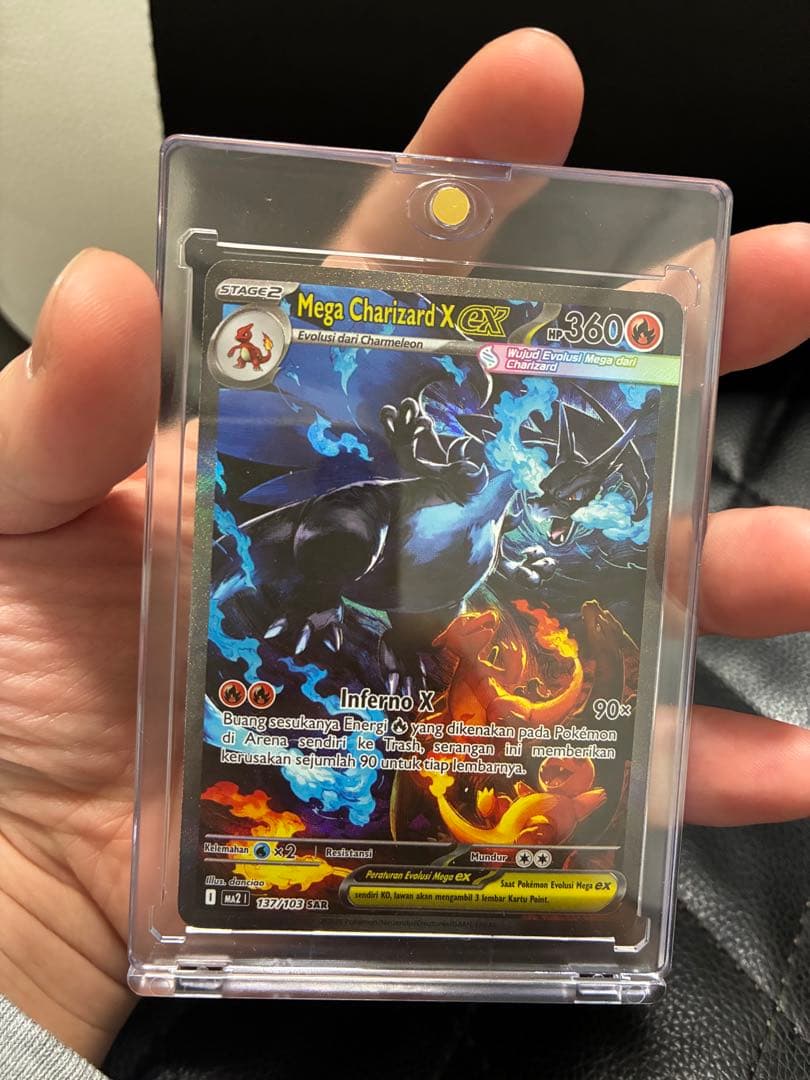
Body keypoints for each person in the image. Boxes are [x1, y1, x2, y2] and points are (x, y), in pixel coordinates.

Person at [0, 27, 809, 1080]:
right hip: (313, 670)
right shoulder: (358, 523)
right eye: (447, 427)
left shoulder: (500, 489)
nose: (471, 437)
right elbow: (274, 604)